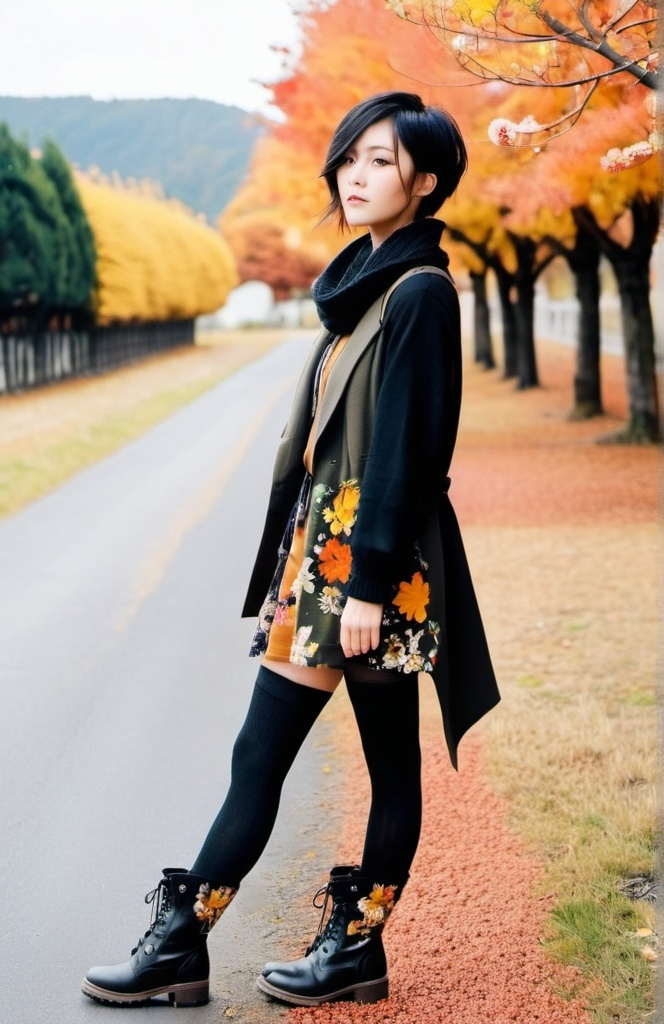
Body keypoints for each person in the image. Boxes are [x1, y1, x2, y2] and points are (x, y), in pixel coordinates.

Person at [81, 91, 499, 1010]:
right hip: (329, 563)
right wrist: (302, 574)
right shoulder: (367, 287)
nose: (354, 173)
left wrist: (365, 586)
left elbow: (408, 455)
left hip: (373, 572)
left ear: (425, 182)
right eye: (349, 156)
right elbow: (324, 447)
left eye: (380, 161)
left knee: (355, 761)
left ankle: (312, 946)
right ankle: (204, 944)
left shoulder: (422, 293)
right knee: (268, 753)